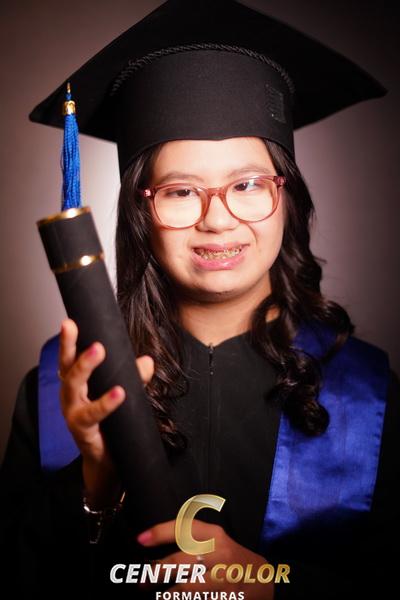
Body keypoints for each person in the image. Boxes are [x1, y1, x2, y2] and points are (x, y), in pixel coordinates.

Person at [1, 1, 399, 599]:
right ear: (141, 212)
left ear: (287, 198)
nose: (218, 220)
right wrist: (93, 485)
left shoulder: (367, 394)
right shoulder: (62, 397)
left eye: (248, 184)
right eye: (181, 191)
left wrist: (270, 590)